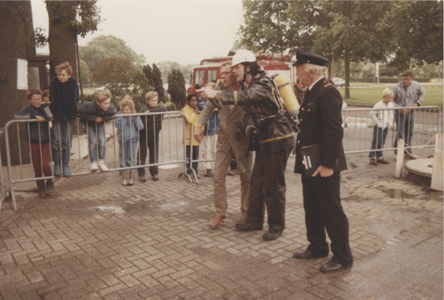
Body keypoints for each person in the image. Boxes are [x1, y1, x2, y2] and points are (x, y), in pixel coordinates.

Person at [202, 50, 295, 240]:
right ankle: (254, 220)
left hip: (278, 139)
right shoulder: (252, 84)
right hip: (266, 140)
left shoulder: (262, 83)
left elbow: (248, 97)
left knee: (273, 186)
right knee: (256, 181)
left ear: (247, 67)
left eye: (236, 68)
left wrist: (217, 94)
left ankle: (276, 226)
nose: (235, 72)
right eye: (234, 68)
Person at [292, 49, 353, 273]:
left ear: (311, 70)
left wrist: (329, 164)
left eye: (298, 70)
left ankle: (342, 257)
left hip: (323, 162)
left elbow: (334, 132)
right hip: (310, 160)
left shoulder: (328, 93)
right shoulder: (312, 90)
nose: (297, 74)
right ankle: (317, 246)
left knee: (331, 209)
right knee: (312, 206)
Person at [194, 61, 253, 229]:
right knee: (218, 176)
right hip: (224, 140)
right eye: (222, 73)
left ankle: (246, 211)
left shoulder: (248, 91)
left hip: (243, 140)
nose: (222, 76)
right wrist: (199, 126)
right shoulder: (221, 91)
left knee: (246, 178)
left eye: (226, 73)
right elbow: (208, 108)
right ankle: (220, 212)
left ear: (235, 74)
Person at [15, 88, 54, 198]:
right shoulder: (27, 109)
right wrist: (33, 117)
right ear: (29, 100)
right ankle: (40, 186)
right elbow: (17, 116)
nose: (37, 101)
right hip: (33, 141)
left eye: (39, 99)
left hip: (45, 140)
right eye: (35, 99)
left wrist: (44, 106)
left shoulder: (44, 107)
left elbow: (50, 116)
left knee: (46, 165)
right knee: (37, 166)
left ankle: (50, 183)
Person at [49, 61, 79, 177]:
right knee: (56, 140)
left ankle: (65, 166)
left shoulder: (73, 82)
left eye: (63, 75)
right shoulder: (54, 82)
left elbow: (75, 98)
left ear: (69, 75)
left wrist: (72, 113)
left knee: (66, 141)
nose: (61, 77)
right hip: (56, 115)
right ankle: (57, 165)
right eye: (59, 75)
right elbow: (52, 97)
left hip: (69, 116)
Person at [77, 90, 116, 172]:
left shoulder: (110, 107)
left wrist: (103, 118)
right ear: (98, 102)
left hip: (100, 123)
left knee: (102, 140)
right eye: (105, 103)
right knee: (93, 141)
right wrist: (93, 119)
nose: (107, 105)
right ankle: (93, 163)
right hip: (89, 124)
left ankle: (101, 162)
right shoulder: (89, 107)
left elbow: (112, 112)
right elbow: (80, 114)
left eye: (108, 103)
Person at [392, 70, 425, 155]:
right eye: (404, 79)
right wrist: (399, 108)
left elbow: (422, 93)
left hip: (411, 113)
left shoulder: (417, 85)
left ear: (411, 79)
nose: (405, 81)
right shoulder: (396, 87)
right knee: (400, 133)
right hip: (399, 114)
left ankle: (408, 151)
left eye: (407, 79)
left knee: (409, 132)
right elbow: (390, 100)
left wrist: (417, 103)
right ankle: (397, 151)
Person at [137, 91, 167, 182]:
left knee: (154, 154)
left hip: (155, 134)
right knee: (142, 154)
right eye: (152, 100)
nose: (154, 102)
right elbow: (139, 120)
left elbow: (164, 109)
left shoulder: (159, 107)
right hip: (144, 134)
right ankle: (141, 174)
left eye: (156, 100)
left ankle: (154, 172)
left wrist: (151, 111)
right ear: (147, 101)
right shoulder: (143, 109)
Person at [115, 96, 144, 186]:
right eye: (124, 109)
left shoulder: (135, 115)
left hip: (133, 139)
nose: (125, 111)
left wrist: (134, 117)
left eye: (127, 109)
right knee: (123, 158)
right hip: (123, 140)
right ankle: (124, 177)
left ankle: (131, 177)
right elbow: (118, 126)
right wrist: (124, 118)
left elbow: (140, 127)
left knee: (131, 158)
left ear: (131, 109)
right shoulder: (120, 115)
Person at [198, 82, 219, 177]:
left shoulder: (218, 98)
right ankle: (208, 168)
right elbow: (202, 106)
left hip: (216, 128)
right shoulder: (202, 99)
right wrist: (212, 108)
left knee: (216, 148)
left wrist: (215, 108)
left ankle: (216, 167)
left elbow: (220, 108)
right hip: (206, 129)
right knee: (206, 149)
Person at [369, 88, 394, 165]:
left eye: (390, 98)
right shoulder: (378, 105)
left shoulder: (391, 104)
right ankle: (372, 157)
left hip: (386, 125)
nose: (389, 99)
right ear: (383, 97)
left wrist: (390, 123)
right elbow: (372, 114)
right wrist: (378, 123)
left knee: (382, 141)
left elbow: (391, 114)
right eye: (388, 98)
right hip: (379, 126)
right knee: (376, 141)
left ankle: (379, 156)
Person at [183, 93, 201, 179]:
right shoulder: (185, 109)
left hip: (196, 138)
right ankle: (189, 171)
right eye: (192, 100)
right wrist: (194, 113)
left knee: (196, 156)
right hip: (188, 138)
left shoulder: (198, 110)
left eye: (195, 100)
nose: (194, 102)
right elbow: (189, 120)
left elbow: (201, 122)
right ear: (188, 101)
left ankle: (195, 171)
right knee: (189, 156)